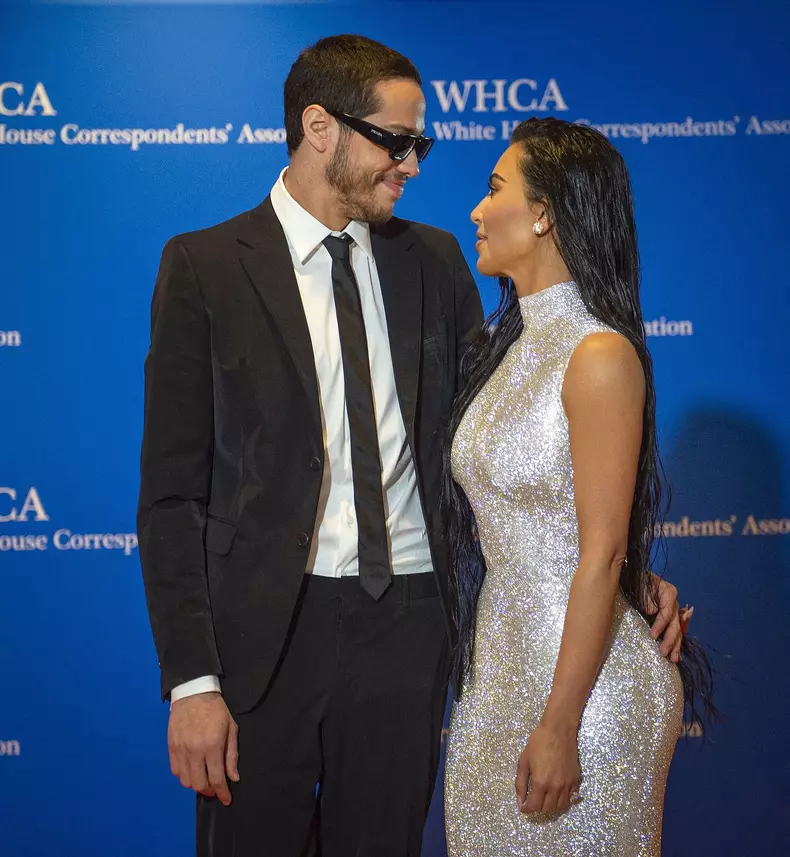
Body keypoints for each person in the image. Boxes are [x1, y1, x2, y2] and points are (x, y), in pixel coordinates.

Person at [137, 35, 688, 857]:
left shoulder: (432, 261)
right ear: (320, 129)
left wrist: (621, 567)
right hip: (259, 646)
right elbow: (172, 497)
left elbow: (507, 437)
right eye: (396, 142)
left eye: (419, 143)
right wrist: (193, 681)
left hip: (409, 630)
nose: (415, 164)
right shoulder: (206, 266)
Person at [444, 117, 703, 856]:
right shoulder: (509, 349)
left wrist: (560, 722)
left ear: (544, 212)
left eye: (494, 189)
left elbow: (601, 547)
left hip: (585, 694)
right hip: (498, 674)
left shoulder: (598, 353)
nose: (475, 210)